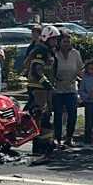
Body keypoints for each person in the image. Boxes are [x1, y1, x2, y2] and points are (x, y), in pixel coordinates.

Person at [26, 25, 60, 154]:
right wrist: (48, 85)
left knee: (45, 117)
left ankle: (46, 144)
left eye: (56, 40)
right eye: (53, 39)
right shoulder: (40, 51)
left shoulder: (49, 51)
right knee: (40, 117)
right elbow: (36, 71)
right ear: (46, 38)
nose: (55, 42)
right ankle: (39, 147)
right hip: (38, 89)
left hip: (44, 91)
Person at [52, 31, 82, 148]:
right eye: (64, 41)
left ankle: (69, 137)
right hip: (57, 88)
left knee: (72, 113)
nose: (67, 44)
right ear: (59, 42)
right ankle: (58, 138)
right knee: (58, 114)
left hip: (71, 87)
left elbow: (80, 70)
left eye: (69, 42)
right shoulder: (54, 54)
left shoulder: (75, 54)